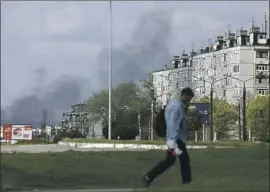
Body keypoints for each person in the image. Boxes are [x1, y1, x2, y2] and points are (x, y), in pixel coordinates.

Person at [142, 87, 194, 188]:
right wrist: (172, 141)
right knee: (180, 160)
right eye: (189, 99)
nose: (189, 102)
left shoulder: (176, 104)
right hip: (176, 140)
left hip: (176, 139)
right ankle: (186, 182)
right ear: (184, 95)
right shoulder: (176, 107)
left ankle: (149, 177)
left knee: (174, 160)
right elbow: (172, 124)